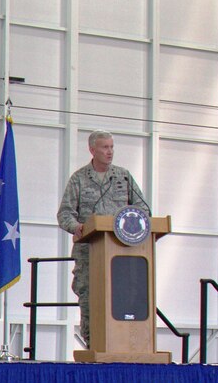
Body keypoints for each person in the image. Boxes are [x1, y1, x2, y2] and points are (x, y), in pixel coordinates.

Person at [57, 130, 150, 342]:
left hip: (122, 255)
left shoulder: (123, 176)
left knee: (124, 299)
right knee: (90, 298)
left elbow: (143, 209)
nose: (110, 152)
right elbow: (65, 213)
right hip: (89, 254)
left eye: (111, 147)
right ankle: (92, 344)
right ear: (92, 150)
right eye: (105, 147)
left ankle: (125, 344)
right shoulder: (79, 179)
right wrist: (77, 227)